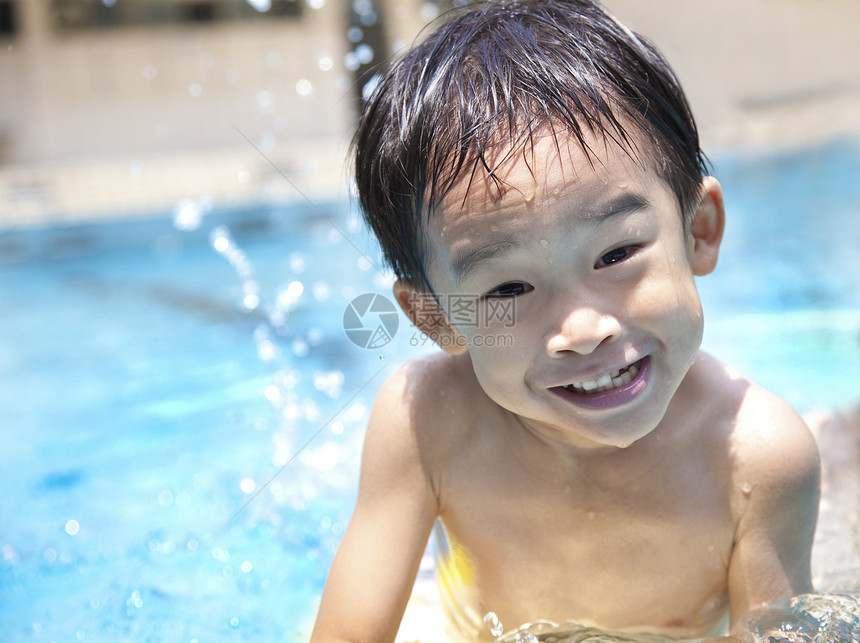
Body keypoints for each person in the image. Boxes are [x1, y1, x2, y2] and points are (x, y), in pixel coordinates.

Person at [310, 1, 821, 640]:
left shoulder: (759, 460)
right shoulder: (428, 425)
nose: (584, 329)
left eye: (617, 254)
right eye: (510, 288)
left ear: (699, 231)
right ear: (439, 319)